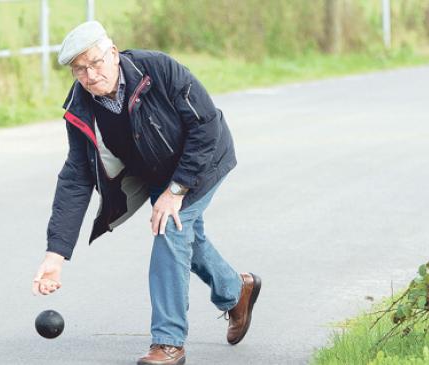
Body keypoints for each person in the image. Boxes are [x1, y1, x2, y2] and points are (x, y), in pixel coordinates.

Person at [31, 21, 261, 365]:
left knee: (169, 228)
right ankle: (235, 290)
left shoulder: (157, 69)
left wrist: (177, 189)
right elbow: (76, 177)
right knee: (186, 237)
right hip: (154, 171)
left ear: (112, 52)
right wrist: (56, 254)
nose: (91, 74)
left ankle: (168, 342)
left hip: (202, 161)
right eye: (80, 69)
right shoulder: (80, 109)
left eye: (95, 62)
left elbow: (206, 124)